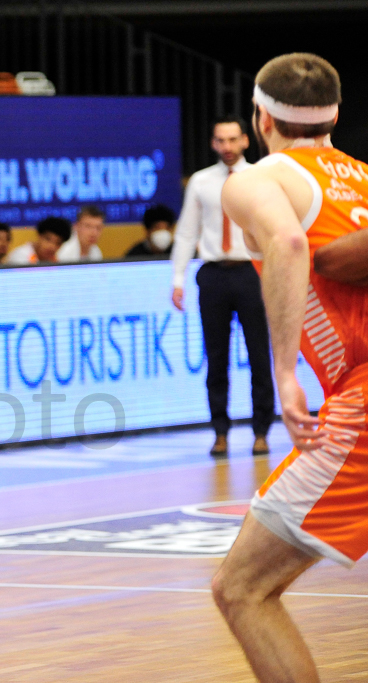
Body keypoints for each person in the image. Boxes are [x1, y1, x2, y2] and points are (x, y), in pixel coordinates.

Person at [213, 52, 368, 683]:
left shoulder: (256, 180)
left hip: (360, 396)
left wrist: (282, 374)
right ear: (335, 117)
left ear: (258, 119)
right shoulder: (362, 175)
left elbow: (288, 241)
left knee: (242, 587)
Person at [169, 116, 274, 457]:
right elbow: (187, 231)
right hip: (213, 273)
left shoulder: (262, 178)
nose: (227, 147)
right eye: (220, 140)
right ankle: (220, 431)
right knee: (216, 357)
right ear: (213, 143)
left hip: (251, 272)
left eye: (233, 139)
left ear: (245, 140)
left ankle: (261, 429)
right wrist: (178, 278)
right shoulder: (200, 182)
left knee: (259, 354)